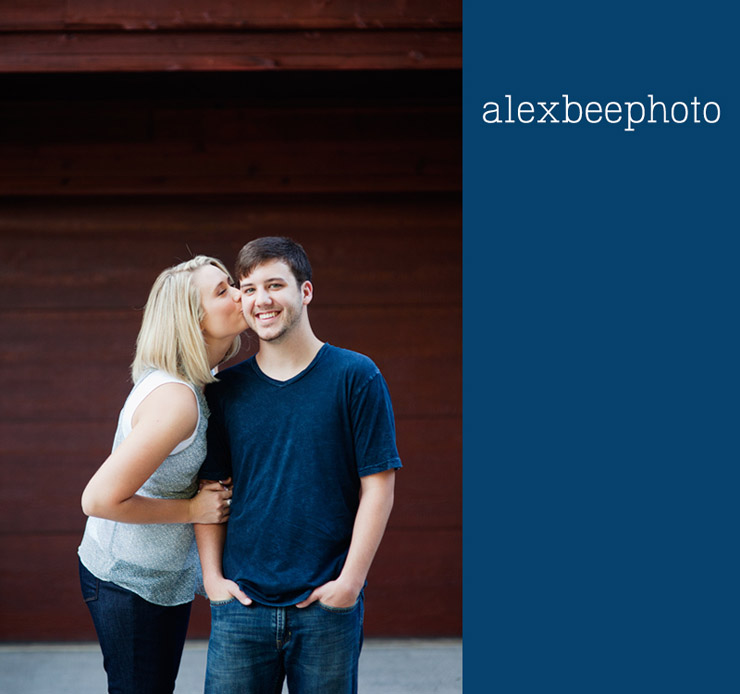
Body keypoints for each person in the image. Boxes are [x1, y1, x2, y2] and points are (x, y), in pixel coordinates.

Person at [195, 236, 402, 694]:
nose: (261, 300)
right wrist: (213, 581)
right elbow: (212, 491)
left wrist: (349, 584)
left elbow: (379, 487)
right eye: (248, 289)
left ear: (305, 292)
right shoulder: (224, 390)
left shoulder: (355, 376)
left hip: (326, 607)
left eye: (275, 285)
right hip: (241, 609)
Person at [77, 255, 247, 694]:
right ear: (195, 320)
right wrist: (192, 508)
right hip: (128, 582)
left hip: (154, 578)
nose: (240, 294)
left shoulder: (196, 380)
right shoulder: (176, 400)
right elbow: (98, 499)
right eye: (223, 291)